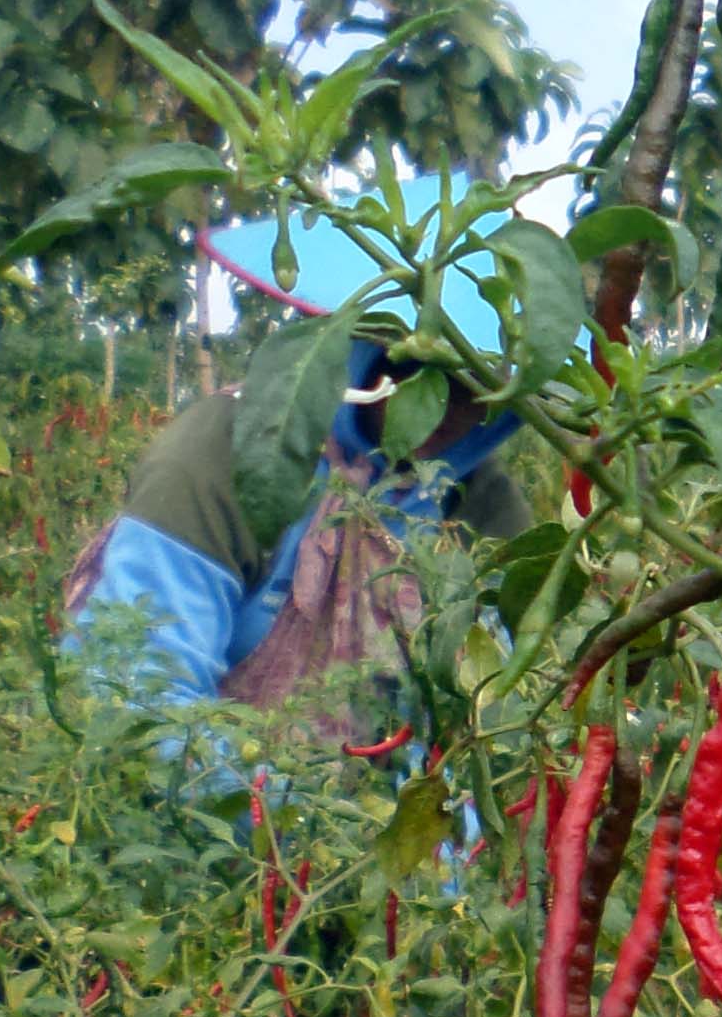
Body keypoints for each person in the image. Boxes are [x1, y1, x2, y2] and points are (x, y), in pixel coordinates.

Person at [65, 187, 539, 734]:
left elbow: (508, 704)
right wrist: (279, 810)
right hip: (208, 799)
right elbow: (133, 698)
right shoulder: (222, 452)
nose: (449, 411)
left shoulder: (472, 497)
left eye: (478, 390)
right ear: (360, 349)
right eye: (416, 372)